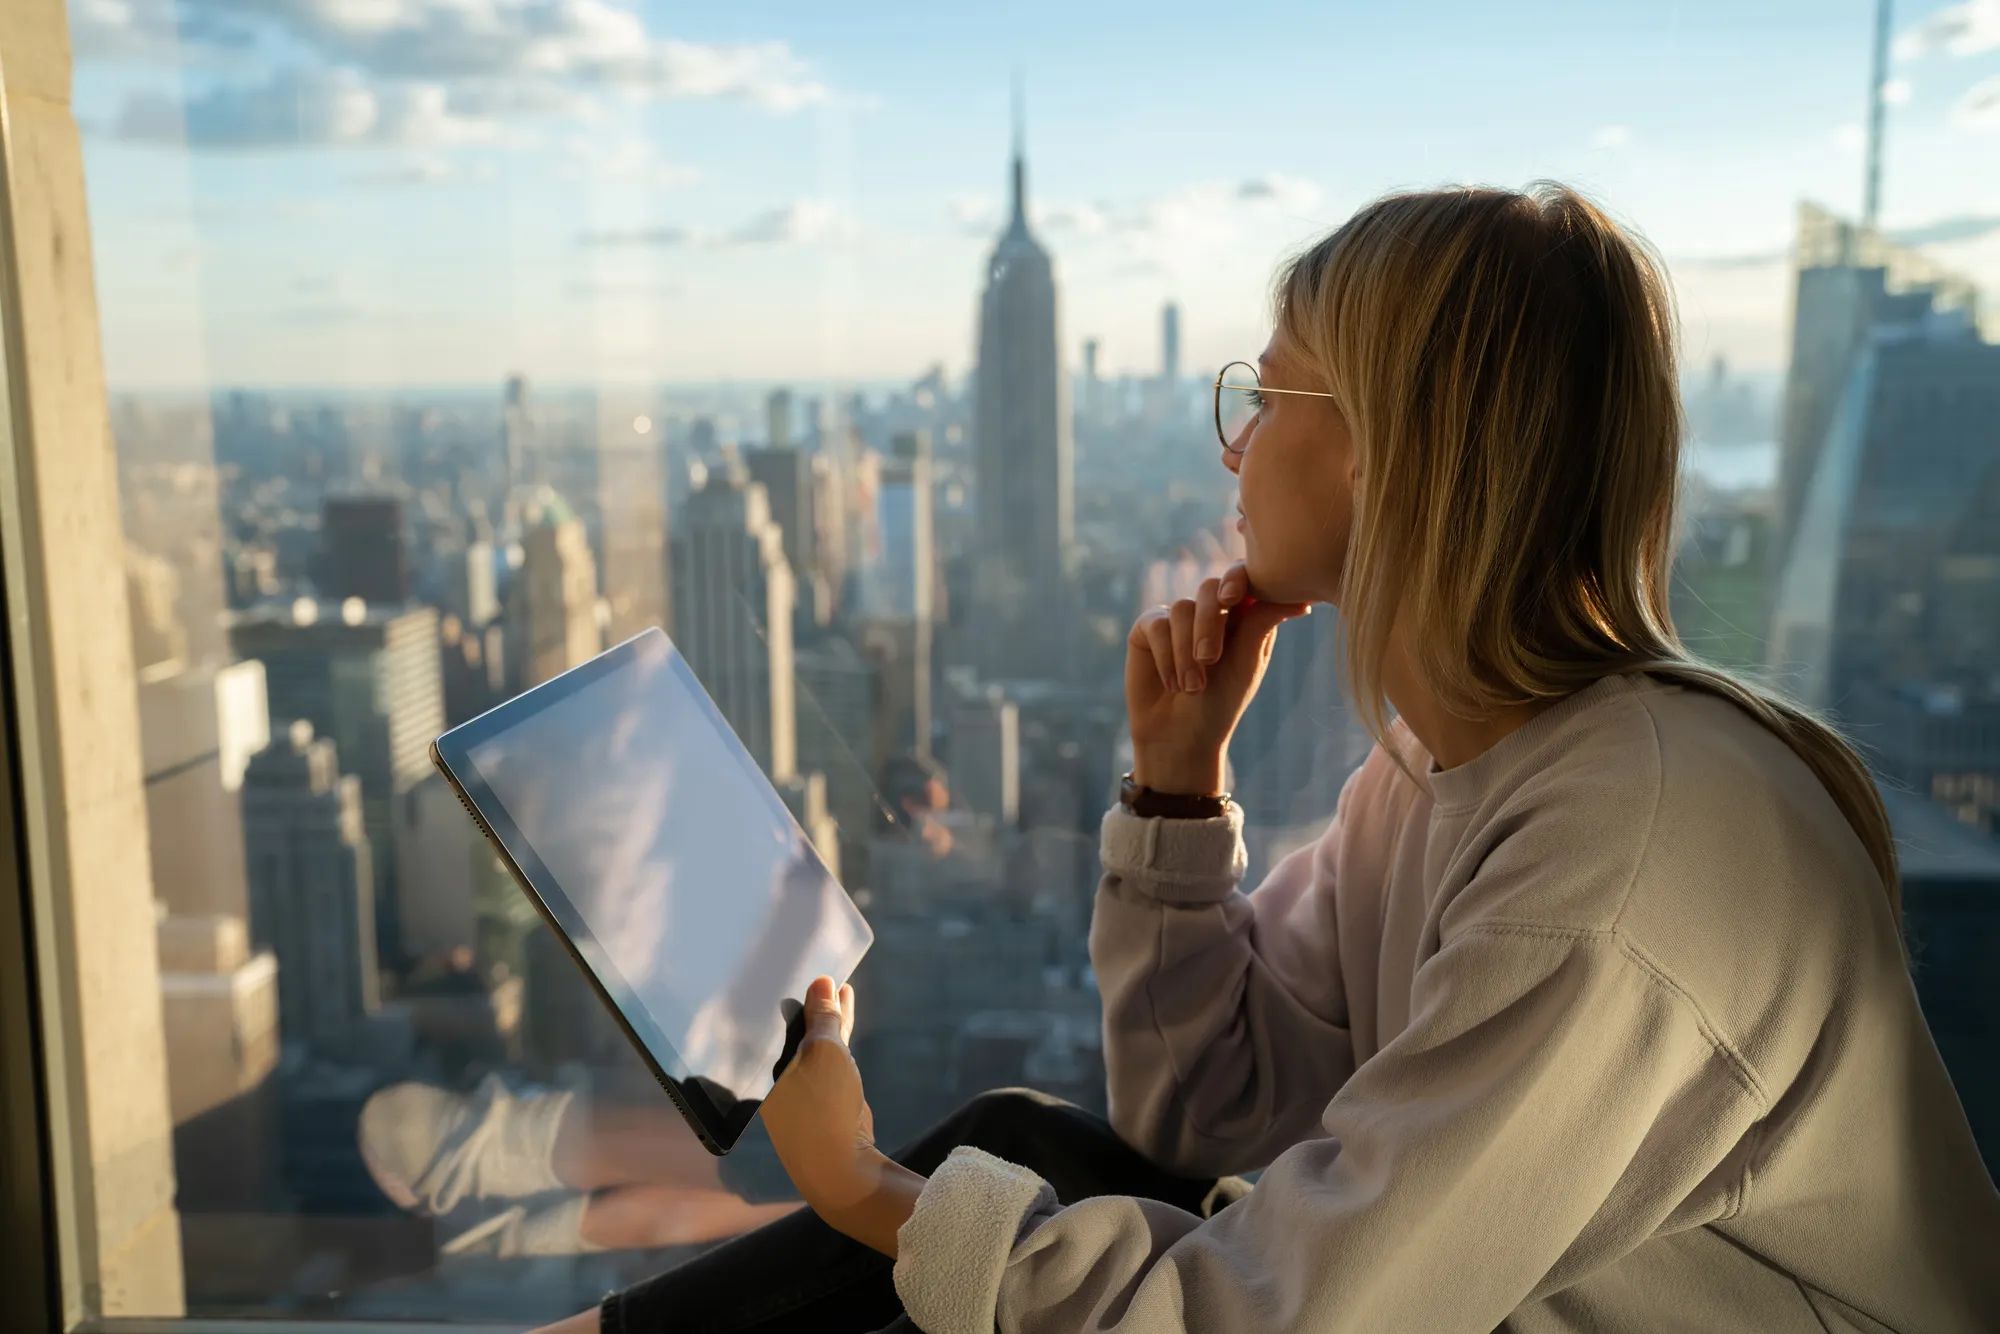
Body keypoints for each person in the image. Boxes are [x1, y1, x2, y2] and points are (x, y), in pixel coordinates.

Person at [539, 183, 2000, 1333]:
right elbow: (1207, 1117)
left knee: (987, 1191)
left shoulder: (1620, 859)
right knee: (1028, 1140)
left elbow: (1263, 1322)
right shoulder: (1445, 772)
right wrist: (1179, 795)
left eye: (1271, 398)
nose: (1236, 451)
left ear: (1383, 450)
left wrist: (865, 1189)